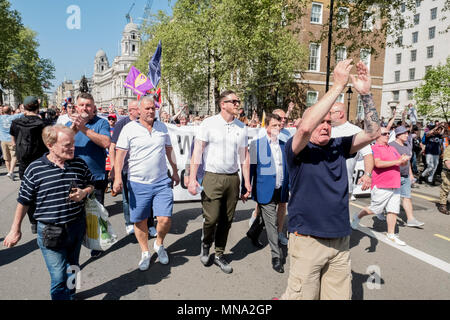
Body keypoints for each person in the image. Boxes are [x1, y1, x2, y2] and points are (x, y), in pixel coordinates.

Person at [281, 59, 381, 300]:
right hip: (307, 240)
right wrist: (338, 85)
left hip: (339, 240)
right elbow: (305, 129)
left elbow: (373, 133)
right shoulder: (296, 149)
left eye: (329, 122)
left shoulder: (340, 145)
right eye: (320, 121)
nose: (325, 126)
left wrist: (366, 95)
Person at [3, 125, 94, 300]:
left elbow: (91, 183)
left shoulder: (79, 163)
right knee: (59, 275)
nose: (72, 148)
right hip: (50, 231)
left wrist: (84, 192)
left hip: (76, 226)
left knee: (73, 266)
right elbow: (24, 201)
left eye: (73, 143)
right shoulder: (35, 169)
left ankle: (71, 295)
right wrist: (15, 229)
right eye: (67, 145)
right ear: (50, 145)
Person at [113, 96, 180, 271]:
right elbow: (119, 156)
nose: (150, 111)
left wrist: (175, 171)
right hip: (137, 184)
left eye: (153, 108)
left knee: (164, 219)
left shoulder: (161, 127)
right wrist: (118, 178)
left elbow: (169, 151)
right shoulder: (128, 129)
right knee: (140, 220)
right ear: (139, 111)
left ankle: (159, 244)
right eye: (147, 109)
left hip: (161, 182)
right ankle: (145, 252)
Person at [188, 90, 251, 274]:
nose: (238, 104)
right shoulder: (209, 124)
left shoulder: (241, 127)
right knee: (212, 218)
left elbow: (244, 156)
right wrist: (192, 179)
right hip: (212, 177)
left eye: (238, 101)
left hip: (233, 178)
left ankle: (219, 253)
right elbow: (197, 152)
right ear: (223, 104)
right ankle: (206, 243)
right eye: (234, 101)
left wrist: (247, 181)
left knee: (227, 220)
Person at [243, 113, 289, 273]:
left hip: (280, 188)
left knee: (262, 218)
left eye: (279, 125)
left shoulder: (284, 145)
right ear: (266, 127)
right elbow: (251, 168)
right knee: (271, 222)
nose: (278, 128)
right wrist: (246, 188)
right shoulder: (257, 144)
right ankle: (277, 257)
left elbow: (287, 168)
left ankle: (252, 234)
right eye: (274, 125)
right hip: (264, 188)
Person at [67, 92, 111, 258]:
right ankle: (75, 242)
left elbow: (106, 142)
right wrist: (74, 127)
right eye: (82, 105)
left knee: (95, 213)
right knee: (74, 214)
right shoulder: (68, 124)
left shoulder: (101, 123)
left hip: (96, 177)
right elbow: (61, 143)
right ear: (76, 107)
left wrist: (84, 128)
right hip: (73, 177)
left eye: (88, 105)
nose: (85, 108)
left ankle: (96, 243)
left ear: (93, 108)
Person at [351, 126, 410, 245]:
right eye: (384, 134)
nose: (387, 135)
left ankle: (391, 234)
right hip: (382, 184)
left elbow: (399, 162)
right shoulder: (374, 148)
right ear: (377, 136)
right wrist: (398, 162)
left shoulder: (392, 148)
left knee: (393, 210)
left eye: (388, 133)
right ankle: (357, 216)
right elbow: (377, 163)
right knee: (375, 209)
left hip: (395, 184)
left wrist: (404, 160)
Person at [109, 100, 157, 236]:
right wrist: (114, 168)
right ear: (131, 111)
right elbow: (113, 147)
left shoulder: (149, 124)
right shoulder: (121, 125)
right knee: (127, 197)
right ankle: (129, 222)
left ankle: (149, 224)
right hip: (126, 167)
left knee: (149, 197)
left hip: (144, 168)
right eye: (138, 109)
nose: (141, 111)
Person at [10, 97, 48, 234]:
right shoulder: (42, 123)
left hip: (24, 163)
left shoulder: (15, 122)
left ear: (23, 107)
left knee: (27, 192)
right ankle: (43, 218)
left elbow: (13, 140)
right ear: (37, 107)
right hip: (41, 162)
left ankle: (33, 221)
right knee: (41, 191)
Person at [330, 102, 374, 201]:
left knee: (339, 215)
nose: (328, 115)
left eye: (331, 112)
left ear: (340, 114)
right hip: (324, 184)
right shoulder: (326, 129)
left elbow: (368, 154)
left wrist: (367, 175)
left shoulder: (355, 131)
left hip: (343, 186)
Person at [388, 126, 424, 227]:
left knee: (407, 197)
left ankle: (411, 219)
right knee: (388, 198)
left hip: (405, 176)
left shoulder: (407, 145)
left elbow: (407, 162)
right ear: (398, 135)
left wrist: (411, 175)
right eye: (404, 133)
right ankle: (379, 212)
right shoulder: (391, 146)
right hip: (394, 176)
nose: (407, 135)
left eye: (407, 133)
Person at [0, 105, 23, 180]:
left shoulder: (0, 118)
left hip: (3, 141)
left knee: (6, 158)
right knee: (14, 157)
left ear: (3, 111)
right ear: (11, 111)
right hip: (11, 140)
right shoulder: (13, 117)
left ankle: (9, 172)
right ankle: (11, 172)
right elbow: (23, 113)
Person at [438, 141, 450, 215]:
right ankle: (442, 205)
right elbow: (447, 162)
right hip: (447, 173)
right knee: (446, 188)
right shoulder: (449, 149)